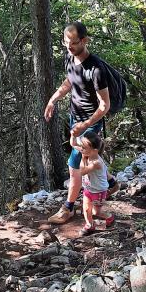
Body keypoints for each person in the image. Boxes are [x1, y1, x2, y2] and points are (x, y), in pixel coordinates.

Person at [44, 21, 119, 224]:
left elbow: (104, 105)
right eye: (65, 42)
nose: (69, 46)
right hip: (74, 118)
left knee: (74, 164)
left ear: (85, 41)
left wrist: (85, 125)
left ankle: (68, 208)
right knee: (84, 161)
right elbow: (70, 81)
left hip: (90, 123)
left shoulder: (96, 69)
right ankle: (111, 182)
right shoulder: (70, 57)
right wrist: (53, 99)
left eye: (74, 43)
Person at [71, 130, 115, 236]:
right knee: (86, 209)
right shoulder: (87, 151)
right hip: (88, 189)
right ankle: (90, 225)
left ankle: (109, 217)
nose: (81, 149)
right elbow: (73, 144)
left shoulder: (97, 163)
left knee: (97, 212)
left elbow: (82, 171)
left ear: (95, 151)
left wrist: (82, 158)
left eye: (84, 148)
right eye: (81, 146)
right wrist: (73, 134)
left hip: (99, 191)